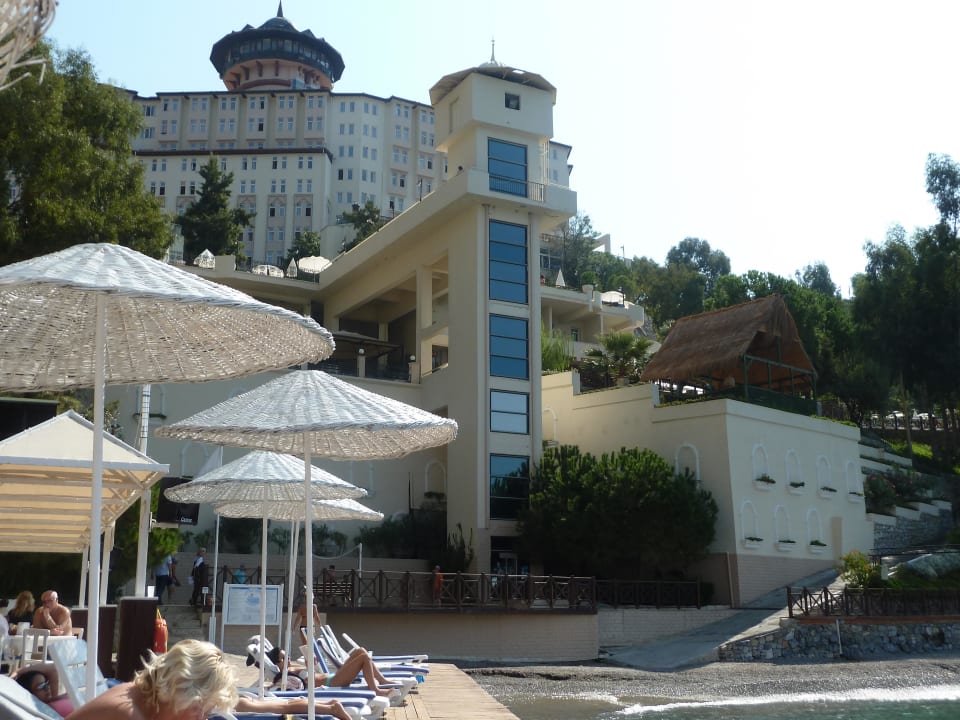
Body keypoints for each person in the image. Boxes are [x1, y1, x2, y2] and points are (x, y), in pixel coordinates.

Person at [65, 639, 351, 720]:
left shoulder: (139, 695)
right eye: (201, 708)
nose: (203, 717)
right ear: (181, 688)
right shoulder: (127, 714)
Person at [254, 644, 401, 699]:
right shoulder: (287, 675)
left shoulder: (292, 668)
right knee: (363, 658)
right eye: (284, 657)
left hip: (333, 676)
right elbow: (307, 683)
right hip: (333, 682)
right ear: (278, 663)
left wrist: (309, 662)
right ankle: (375, 688)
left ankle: (382, 681)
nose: (289, 657)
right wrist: (308, 666)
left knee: (360, 651)